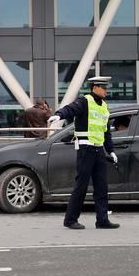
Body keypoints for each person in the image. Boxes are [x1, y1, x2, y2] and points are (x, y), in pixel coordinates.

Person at [47, 76, 119, 230]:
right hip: (85, 149)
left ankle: (102, 220)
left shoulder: (104, 107)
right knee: (81, 186)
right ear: (95, 87)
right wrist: (59, 114)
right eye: (104, 87)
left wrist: (111, 151)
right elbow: (70, 109)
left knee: (102, 187)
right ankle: (70, 220)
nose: (106, 90)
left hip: (99, 150)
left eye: (106, 87)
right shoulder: (85, 101)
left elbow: (106, 133)